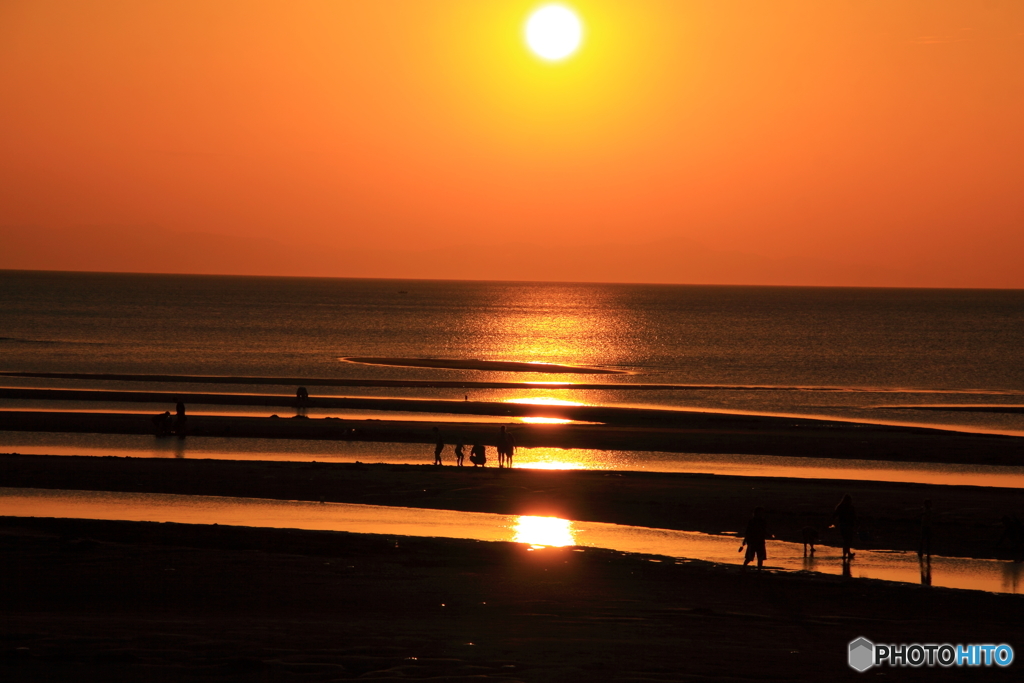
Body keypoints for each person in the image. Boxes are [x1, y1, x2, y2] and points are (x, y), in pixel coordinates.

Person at [830, 494, 856, 561]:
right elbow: (854, 517)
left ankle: (847, 554)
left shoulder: (840, 507)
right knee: (848, 540)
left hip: (842, 525)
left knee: (846, 540)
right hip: (848, 525)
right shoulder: (850, 507)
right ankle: (846, 555)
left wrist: (831, 523)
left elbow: (834, 515)